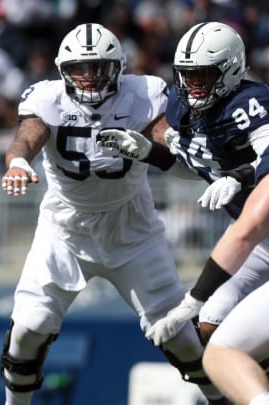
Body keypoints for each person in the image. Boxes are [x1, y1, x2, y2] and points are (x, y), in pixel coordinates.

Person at [0, 23, 229, 405]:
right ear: (62, 70)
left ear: (119, 67)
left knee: (181, 337)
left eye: (99, 67)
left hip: (131, 226)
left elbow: (175, 156)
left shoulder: (146, 94)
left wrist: (151, 147)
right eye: (80, 68)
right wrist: (19, 161)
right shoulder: (47, 98)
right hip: (65, 226)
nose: (89, 78)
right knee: (30, 328)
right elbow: (27, 135)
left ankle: (224, 400)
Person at [96, 21, 269, 347]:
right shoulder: (184, 108)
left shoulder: (250, 103)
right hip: (258, 240)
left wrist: (237, 176)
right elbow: (199, 169)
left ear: (230, 69)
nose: (193, 84)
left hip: (255, 227)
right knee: (212, 321)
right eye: (187, 74)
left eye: (203, 75)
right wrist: (151, 153)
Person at [201, 175, 269, 405]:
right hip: (262, 244)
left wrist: (195, 296)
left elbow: (244, 234)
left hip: (255, 232)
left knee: (222, 351)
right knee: (212, 319)